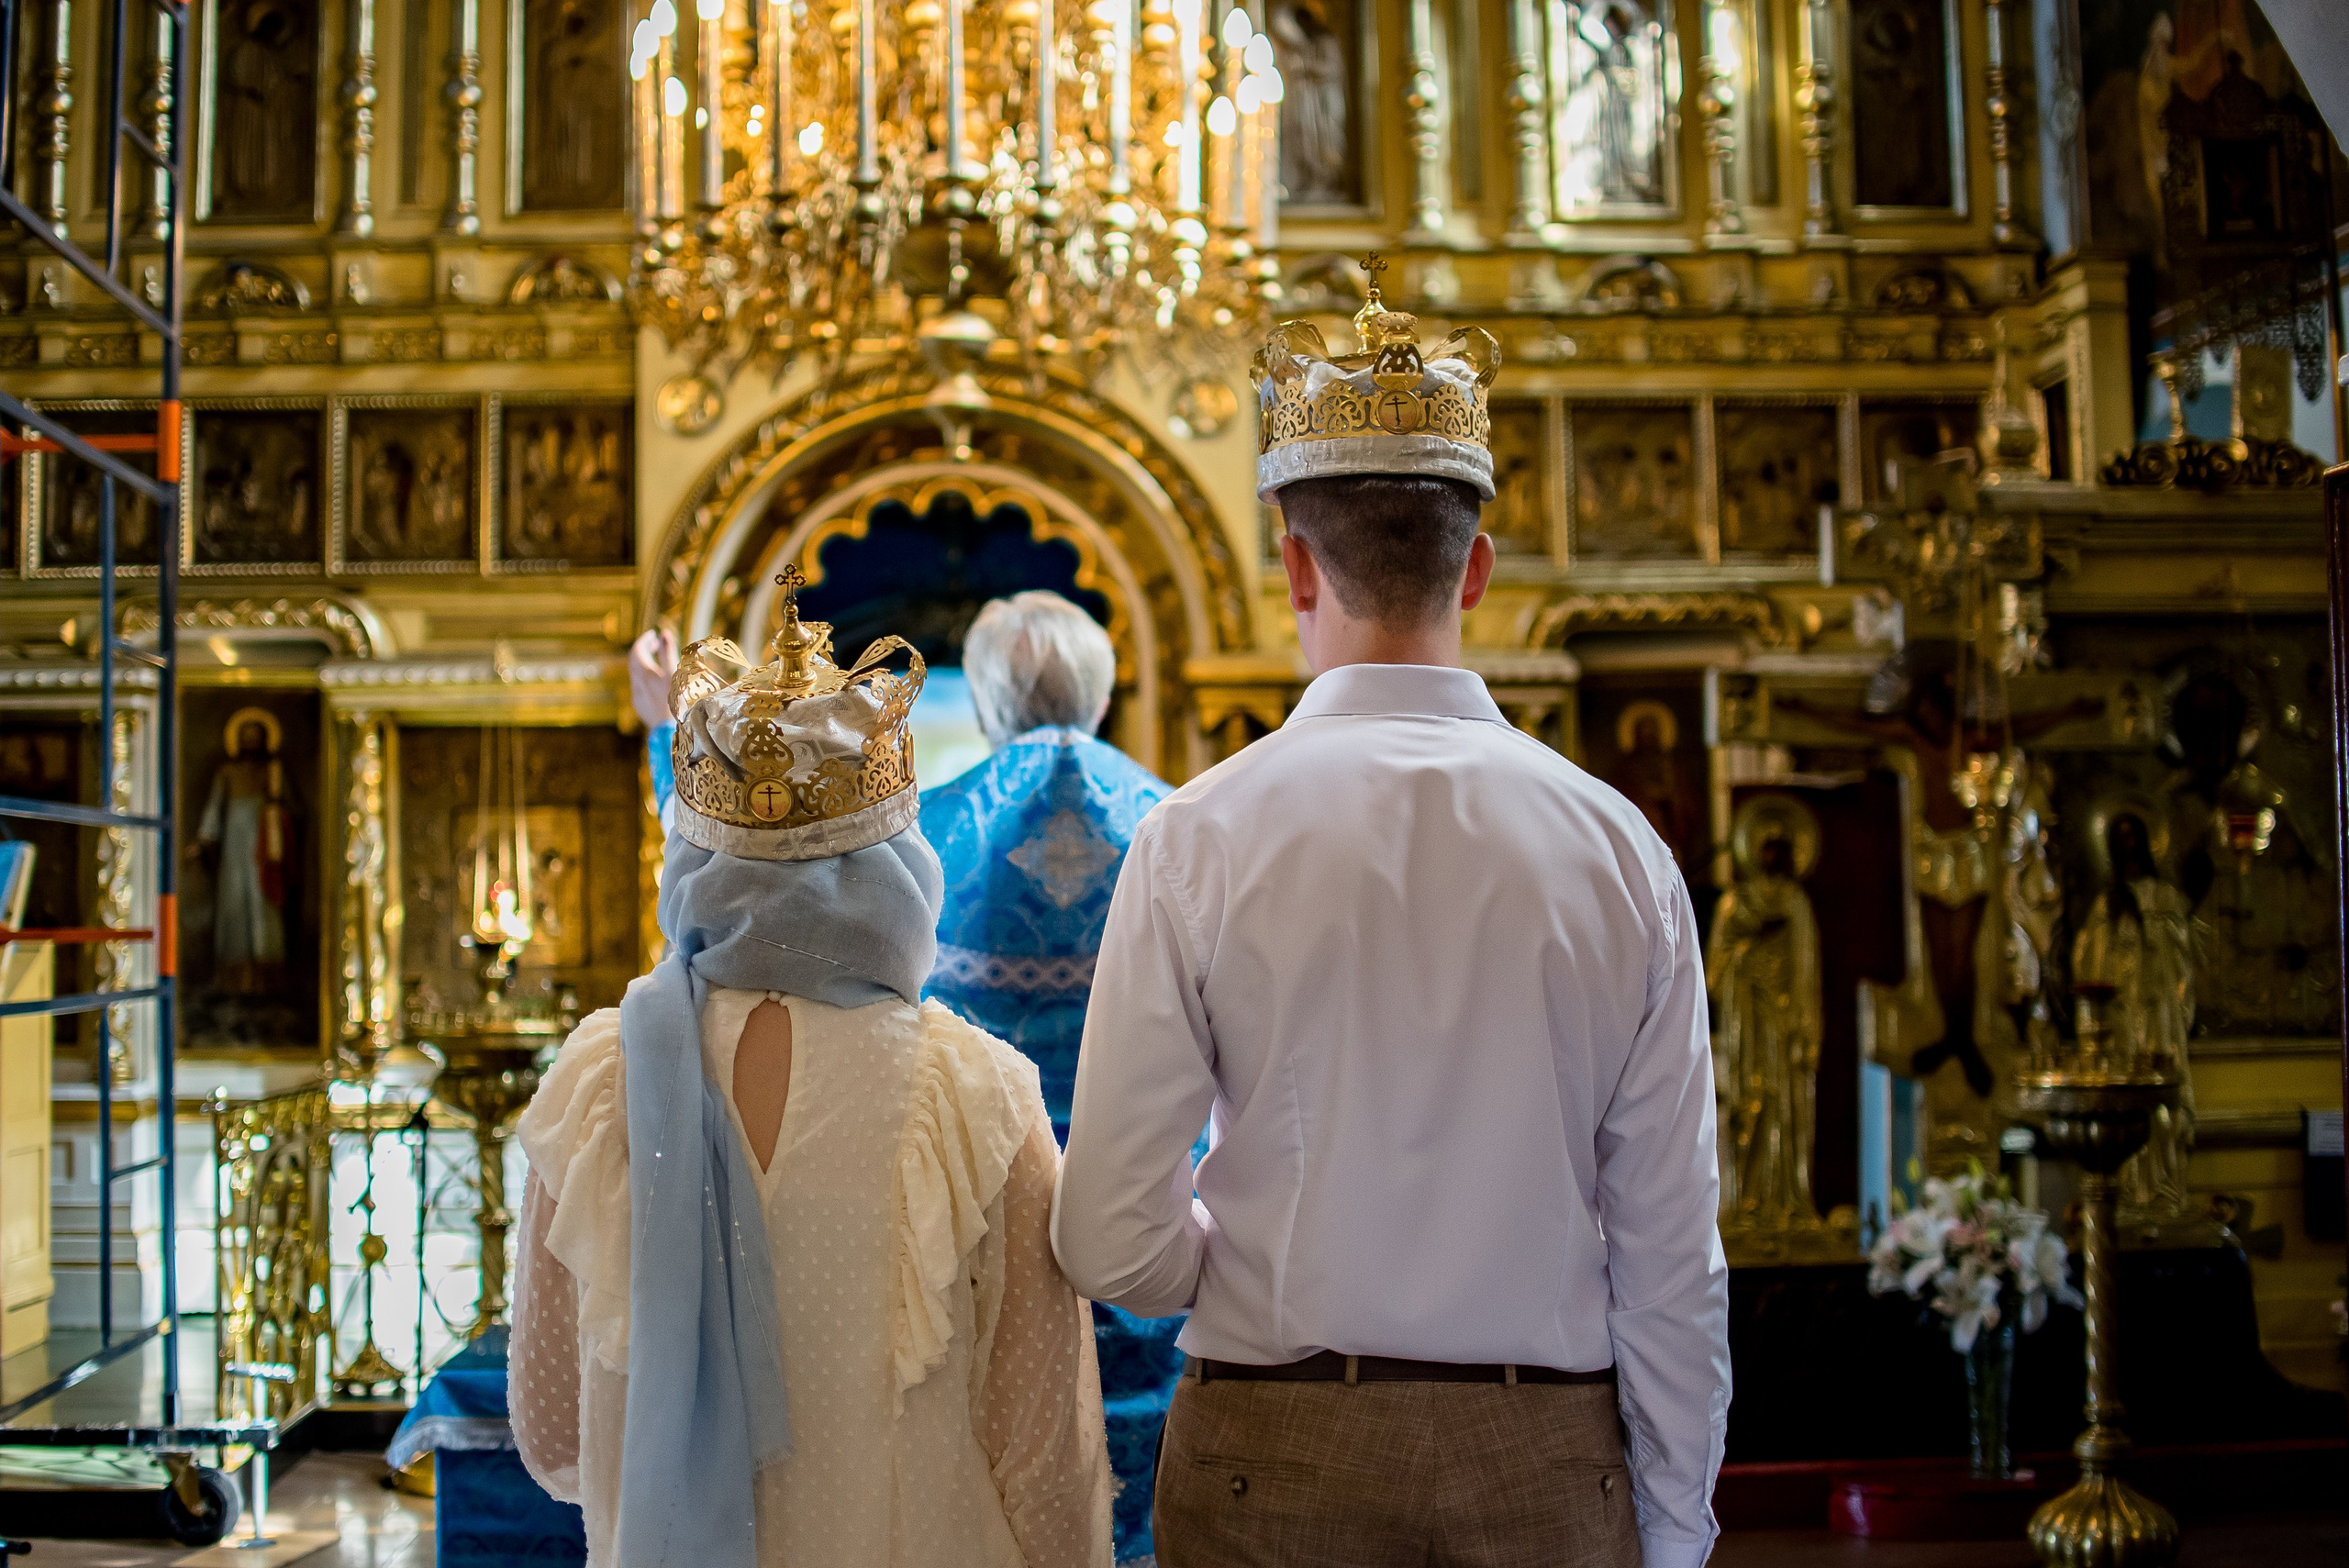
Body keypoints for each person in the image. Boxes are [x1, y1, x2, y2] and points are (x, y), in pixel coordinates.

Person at [1052, 261, 1731, 1568]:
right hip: (1545, 1456)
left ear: (1295, 566)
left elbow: (1107, 1236)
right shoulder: (1622, 852)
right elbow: (1669, 1252)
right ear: (1474, 569)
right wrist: (1676, 1526)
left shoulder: (1196, 838)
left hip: (1276, 1448)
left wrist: (1241, 1257)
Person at [512, 584, 1112, 1568]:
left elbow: (551, 1433)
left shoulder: (594, 1080)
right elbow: (1049, 1465)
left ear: (696, 858)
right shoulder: (979, 1090)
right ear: (897, 861)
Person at [917, 590, 1177, 1562]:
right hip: (1156, 1208)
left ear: (984, 704)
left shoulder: (927, 831)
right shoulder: (1179, 821)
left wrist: (666, 741)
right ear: (1106, 695)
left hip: (981, 1210)